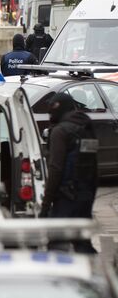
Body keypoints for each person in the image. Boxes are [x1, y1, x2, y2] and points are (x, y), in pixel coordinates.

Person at [40, 93, 97, 252]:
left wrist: (45, 206)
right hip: (85, 196)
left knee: (56, 242)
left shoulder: (61, 132)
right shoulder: (86, 127)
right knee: (82, 242)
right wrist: (91, 193)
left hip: (66, 197)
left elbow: (55, 169)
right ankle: (94, 272)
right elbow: (93, 166)